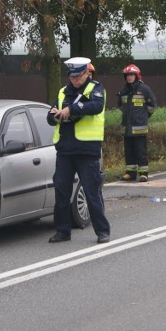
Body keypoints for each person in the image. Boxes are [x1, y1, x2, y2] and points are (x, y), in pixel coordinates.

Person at [47, 56, 111, 244]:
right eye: (72, 77)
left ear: (86, 73)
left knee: (91, 193)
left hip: (87, 150)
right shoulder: (62, 92)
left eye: (78, 76)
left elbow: (96, 107)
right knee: (61, 192)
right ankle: (63, 231)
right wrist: (56, 116)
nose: (75, 80)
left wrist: (72, 110)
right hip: (65, 151)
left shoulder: (96, 88)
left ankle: (102, 231)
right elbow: (49, 117)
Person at [117, 63, 157, 182]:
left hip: (139, 127)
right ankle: (130, 173)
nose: (129, 77)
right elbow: (120, 105)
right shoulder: (124, 90)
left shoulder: (144, 89)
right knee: (129, 151)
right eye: (127, 75)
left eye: (131, 75)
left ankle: (143, 173)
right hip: (127, 127)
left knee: (140, 151)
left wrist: (144, 116)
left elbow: (152, 106)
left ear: (136, 76)